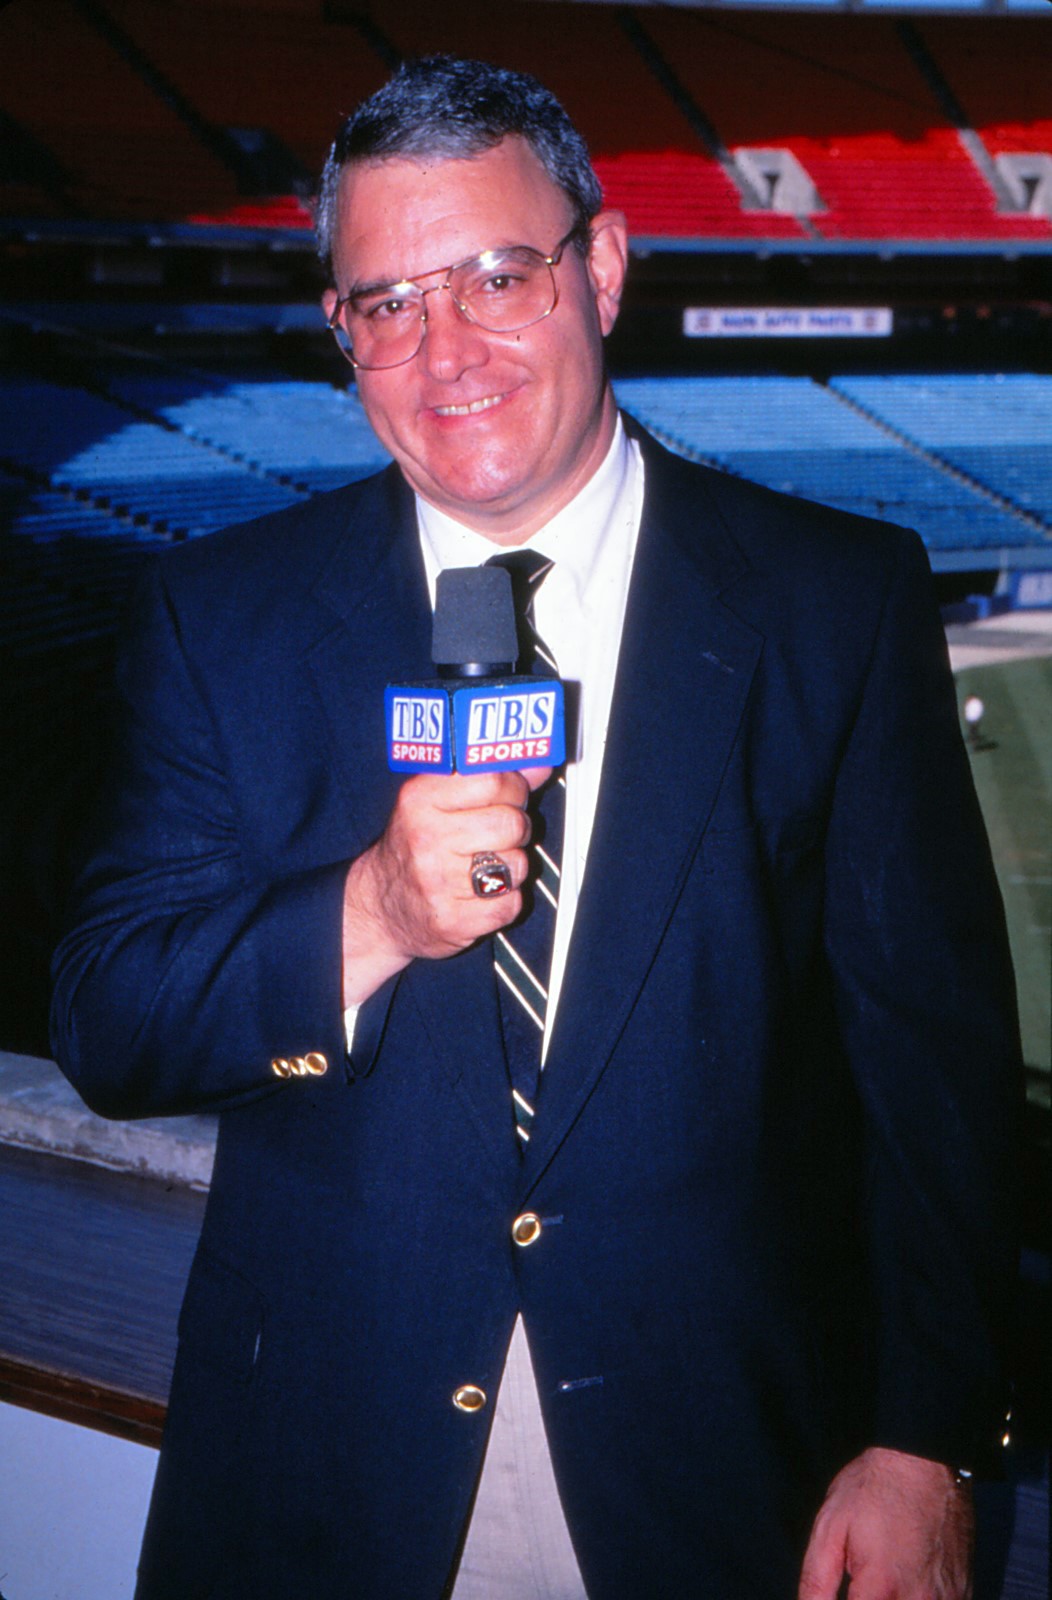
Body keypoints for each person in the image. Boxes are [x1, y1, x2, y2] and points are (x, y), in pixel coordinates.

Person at [50, 55, 1020, 1600]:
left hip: (727, 1480)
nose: (449, 350)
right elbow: (108, 1021)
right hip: (319, 1481)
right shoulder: (216, 617)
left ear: (604, 267)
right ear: (340, 335)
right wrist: (369, 910)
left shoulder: (837, 602)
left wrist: (928, 1442)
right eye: (388, 303)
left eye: (498, 274)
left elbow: (935, 1077)